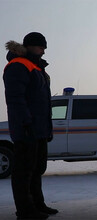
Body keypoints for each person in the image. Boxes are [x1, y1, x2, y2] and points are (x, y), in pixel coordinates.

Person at [3, 32, 58, 219]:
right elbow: (16, 99)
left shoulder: (37, 68)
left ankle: (38, 205)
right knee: (24, 171)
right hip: (26, 129)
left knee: (37, 169)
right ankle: (25, 211)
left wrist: (46, 129)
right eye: (41, 46)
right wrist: (26, 123)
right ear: (30, 46)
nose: (44, 50)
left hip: (39, 129)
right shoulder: (18, 65)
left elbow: (42, 102)